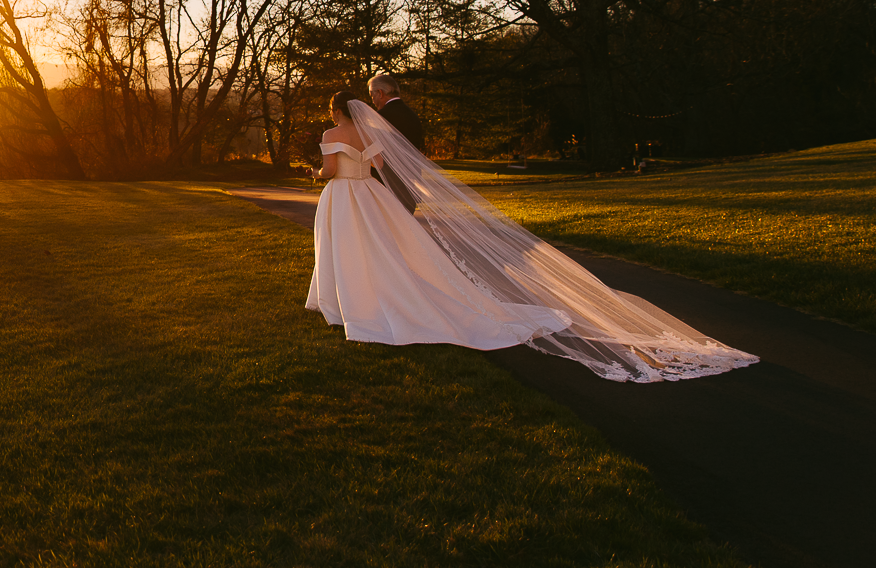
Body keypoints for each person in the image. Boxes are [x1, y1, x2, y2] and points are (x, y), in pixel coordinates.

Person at [306, 90, 758, 383]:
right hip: (371, 194)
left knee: (347, 250)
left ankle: (347, 303)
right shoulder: (372, 133)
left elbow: (328, 170)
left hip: (343, 197)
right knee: (382, 252)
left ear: (335, 112)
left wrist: (316, 173)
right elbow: (385, 169)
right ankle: (375, 299)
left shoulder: (331, 133)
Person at [366, 73, 425, 212]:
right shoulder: (413, 116)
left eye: (372, 95)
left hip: (385, 186)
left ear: (380, 93)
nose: (373, 101)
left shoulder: (380, 118)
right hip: (410, 184)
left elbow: (374, 152)